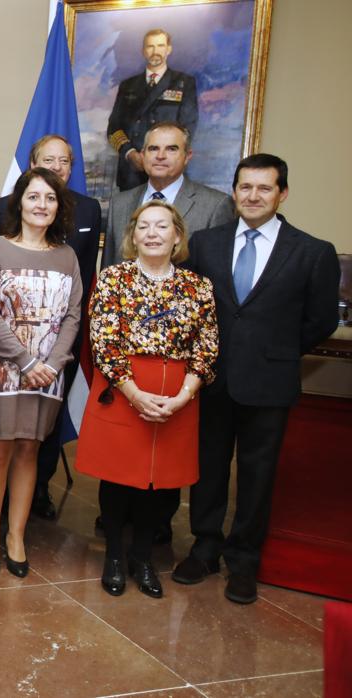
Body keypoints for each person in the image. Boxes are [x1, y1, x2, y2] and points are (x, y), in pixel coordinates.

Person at [174, 154, 340, 604]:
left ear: (282, 193)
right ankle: (205, 547)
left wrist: (278, 352)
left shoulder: (311, 251)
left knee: (257, 474)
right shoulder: (205, 244)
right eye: (245, 187)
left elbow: (321, 319)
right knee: (206, 468)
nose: (253, 196)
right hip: (211, 378)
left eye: (264, 188)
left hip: (270, 382)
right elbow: (190, 309)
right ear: (234, 191)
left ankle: (244, 559)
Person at [75, 201, 218, 599]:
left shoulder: (198, 286)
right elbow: (103, 341)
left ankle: (143, 557)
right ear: (132, 236)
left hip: (179, 394)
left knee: (162, 484)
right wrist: (134, 393)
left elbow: (206, 347)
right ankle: (116, 558)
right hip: (123, 389)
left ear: (177, 237)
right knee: (119, 478)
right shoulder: (112, 279)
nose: (153, 233)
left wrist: (185, 395)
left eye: (162, 226)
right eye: (144, 226)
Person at [0, 167, 82, 578]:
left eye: (50, 198)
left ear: (59, 207)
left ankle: (16, 535)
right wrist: (26, 362)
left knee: (28, 450)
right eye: (34, 197)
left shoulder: (67, 256)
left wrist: (50, 365)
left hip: (48, 374)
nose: (42, 205)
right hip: (3, 370)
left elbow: (73, 317)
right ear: (19, 201)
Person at [0, 134, 101, 519]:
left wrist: (53, 362)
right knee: (0, 446)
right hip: (4, 362)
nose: (56, 168)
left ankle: (31, 507)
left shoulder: (79, 231)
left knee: (37, 441)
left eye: (64, 161)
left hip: (54, 359)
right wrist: (22, 359)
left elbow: (77, 303)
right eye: (47, 160)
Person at [102, 123, 234, 269]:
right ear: (143, 154)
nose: (160, 156)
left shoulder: (215, 206)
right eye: (153, 149)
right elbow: (108, 267)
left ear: (187, 156)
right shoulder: (120, 203)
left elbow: (217, 272)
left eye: (171, 149)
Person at [106, 29, 199, 191]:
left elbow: (188, 127)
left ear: (169, 49)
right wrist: (130, 153)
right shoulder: (128, 85)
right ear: (144, 51)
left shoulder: (184, 82)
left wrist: (161, 156)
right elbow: (113, 129)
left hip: (167, 170)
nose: (155, 51)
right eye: (150, 46)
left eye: (160, 46)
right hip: (132, 172)